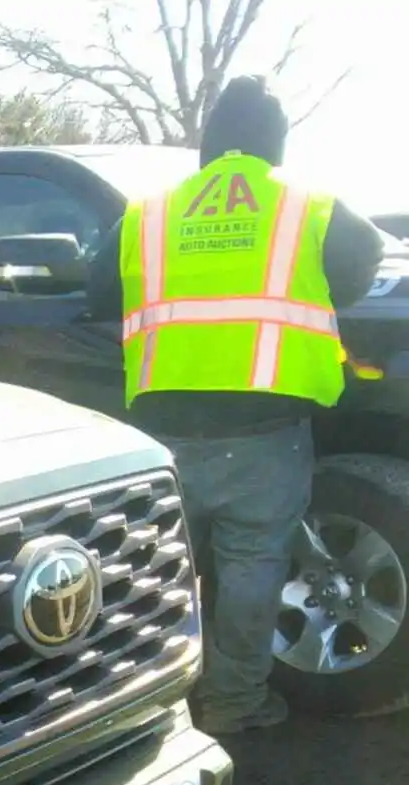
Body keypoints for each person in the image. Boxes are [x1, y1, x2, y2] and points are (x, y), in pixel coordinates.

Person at [88, 76, 385, 734]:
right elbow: (362, 269)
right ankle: (232, 704)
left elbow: (96, 290)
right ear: (275, 142)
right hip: (263, 426)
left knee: (158, 567)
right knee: (253, 565)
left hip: (164, 424)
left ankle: (136, 704)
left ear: (208, 142)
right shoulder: (306, 206)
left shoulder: (150, 213)